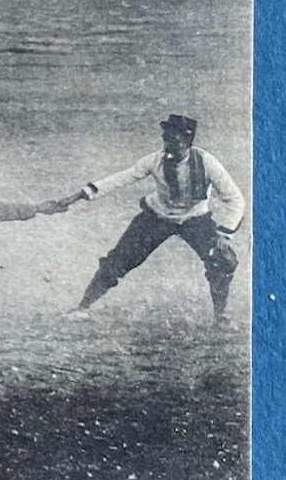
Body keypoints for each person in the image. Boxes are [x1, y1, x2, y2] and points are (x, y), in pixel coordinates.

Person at [53, 114, 245, 324]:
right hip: (157, 217)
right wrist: (77, 196)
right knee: (118, 260)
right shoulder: (155, 160)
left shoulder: (208, 163)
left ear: (187, 141)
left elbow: (235, 199)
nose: (167, 143)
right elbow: (120, 178)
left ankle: (220, 317)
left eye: (173, 139)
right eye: (166, 138)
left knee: (223, 260)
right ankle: (82, 308)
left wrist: (224, 234)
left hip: (195, 220)